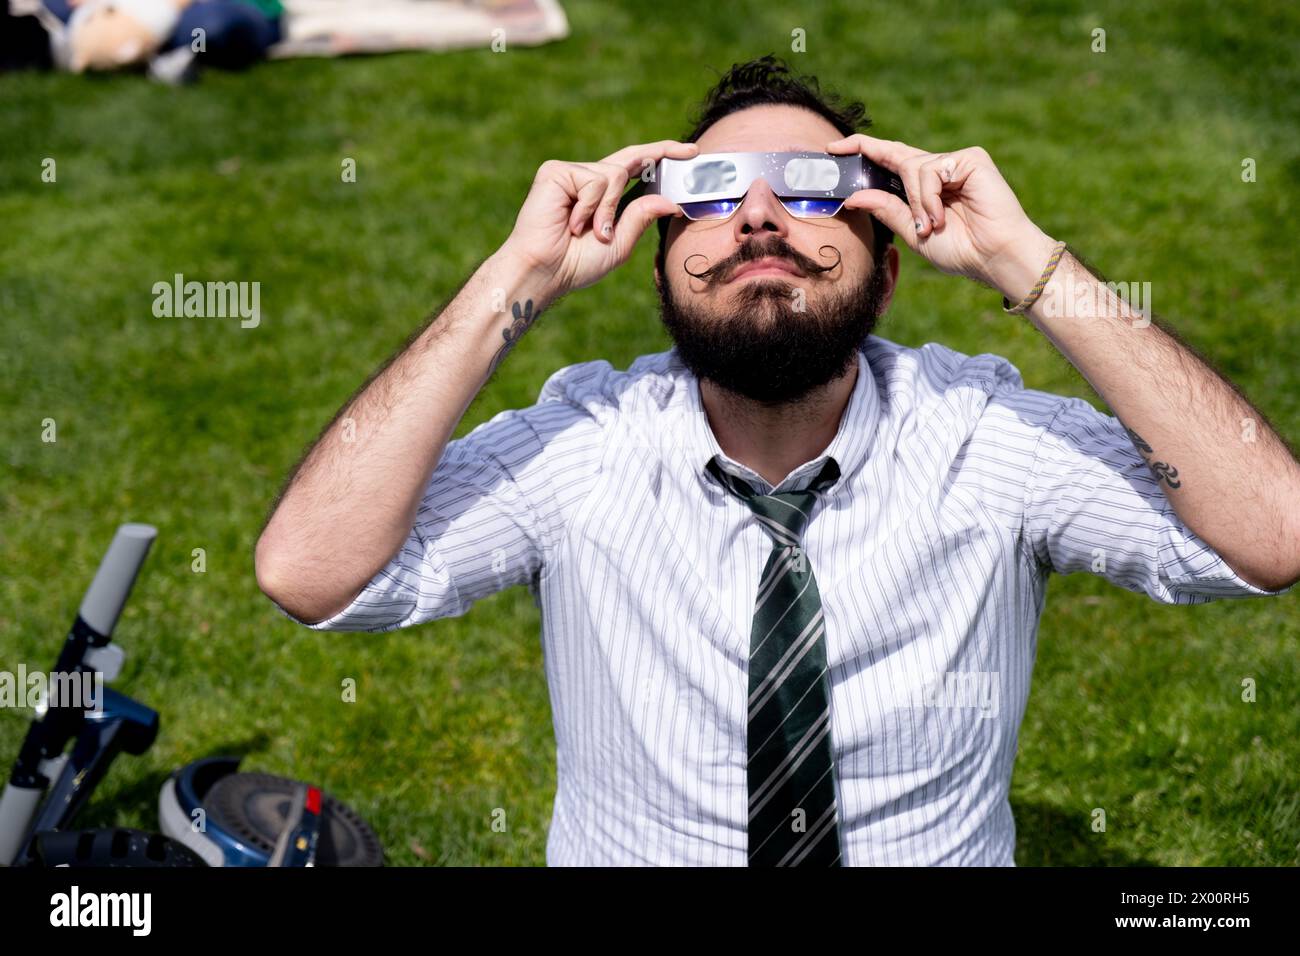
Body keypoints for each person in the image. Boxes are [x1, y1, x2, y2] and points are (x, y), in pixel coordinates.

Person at [254, 55, 1300, 866]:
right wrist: (517, 276)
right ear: (659, 274)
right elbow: (310, 570)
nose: (757, 215)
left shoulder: (978, 435)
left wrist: (1020, 259)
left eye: (807, 188)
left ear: (887, 273)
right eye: (709, 194)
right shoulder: (586, 445)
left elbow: (1273, 531)